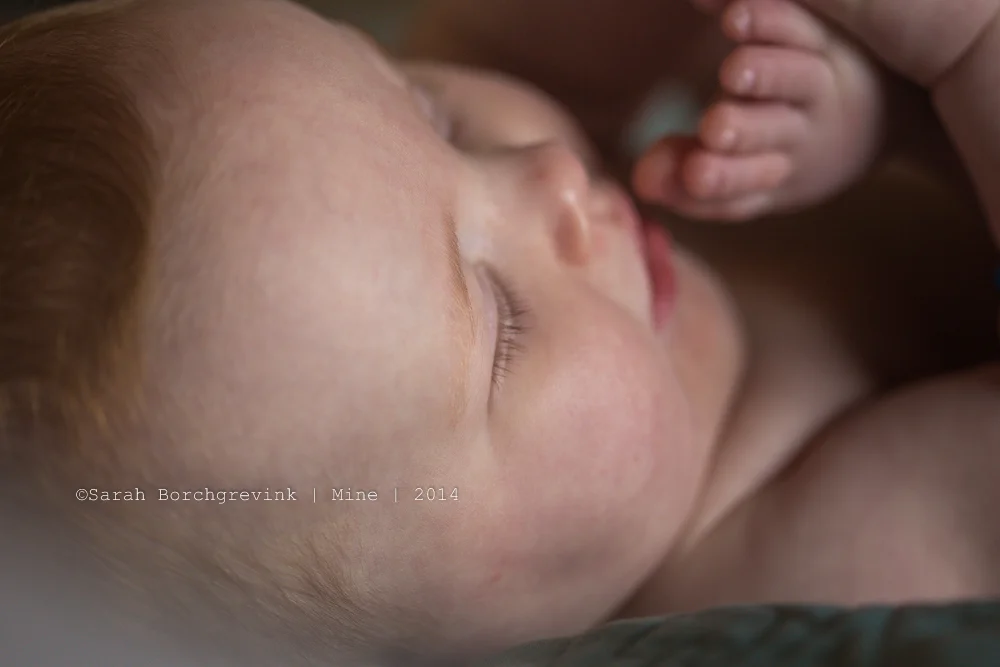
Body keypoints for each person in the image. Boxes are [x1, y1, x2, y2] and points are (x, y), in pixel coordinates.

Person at [0, 0, 997, 666]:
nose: (548, 178)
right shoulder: (812, 551)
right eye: (501, 322)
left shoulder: (587, 283)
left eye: (431, 113)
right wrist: (970, 51)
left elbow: (512, 41)